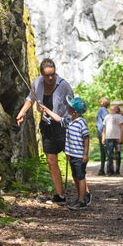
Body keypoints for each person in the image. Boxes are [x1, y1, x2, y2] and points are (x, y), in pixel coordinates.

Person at [16, 58, 73, 205]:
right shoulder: (37, 83)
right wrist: (22, 112)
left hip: (62, 126)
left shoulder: (64, 85)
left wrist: (73, 124)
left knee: (72, 158)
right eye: (47, 75)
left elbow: (72, 105)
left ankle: (84, 193)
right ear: (42, 74)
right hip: (47, 125)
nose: (50, 78)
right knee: (51, 160)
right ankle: (60, 195)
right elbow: (30, 98)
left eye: (52, 74)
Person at [40, 96, 91, 210]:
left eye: (69, 106)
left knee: (80, 177)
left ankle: (82, 201)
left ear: (74, 111)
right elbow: (58, 119)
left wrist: (85, 154)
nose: (67, 108)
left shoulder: (81, 122)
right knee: (76, 177)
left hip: (79, 155)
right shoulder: (69, 121)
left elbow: (86, 138)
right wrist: (47, 110)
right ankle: (79, 198)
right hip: (72, 155)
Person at [102, 105, 123, 176]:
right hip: (109, 138)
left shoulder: (119, 116)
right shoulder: (106, 116)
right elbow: (104, 128)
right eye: (111, 108)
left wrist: (121, 137)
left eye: (113, 107)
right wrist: (103, 137)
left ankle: (117, 171)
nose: (111, 108)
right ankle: (109, 171)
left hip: (117, 138)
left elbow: (122, 128)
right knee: (109, 155)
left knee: (118, 155)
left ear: (117, 110)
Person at [95, 97, 110, 175]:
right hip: (102, 132)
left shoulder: (102, 109)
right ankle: (102, 169)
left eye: (100, 101)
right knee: (104, 151)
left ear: (103, 103)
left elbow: (106, 121)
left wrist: (103, 134)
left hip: (102, 132)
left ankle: (108, 169)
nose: (99, 102)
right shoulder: (105, 110)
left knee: (105, 151)